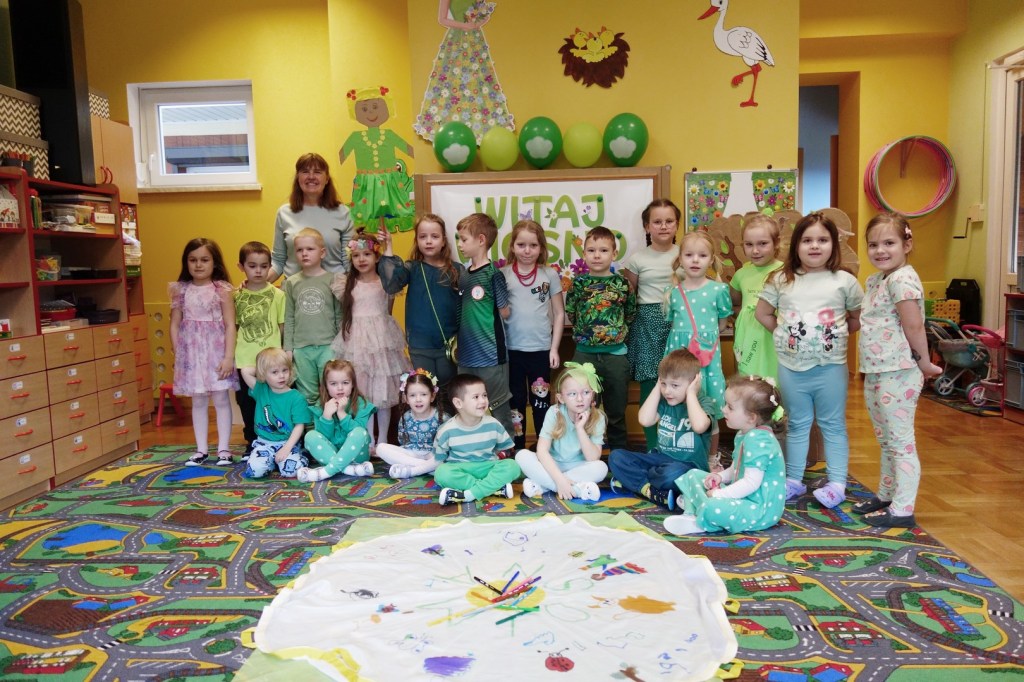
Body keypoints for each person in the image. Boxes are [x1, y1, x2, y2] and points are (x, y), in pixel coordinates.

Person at [755, 211, 864, 509]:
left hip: (831, 368)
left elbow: (857, 317)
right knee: (798, 424)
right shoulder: (781, 279)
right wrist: (784, 335)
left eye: (822, 240)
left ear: (833, 245)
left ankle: (837, 483)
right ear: (796, 245)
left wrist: (836, 336)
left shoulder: (845, 281)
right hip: (792, 368)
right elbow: (762, 313)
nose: (815, 246)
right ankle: (793, 480)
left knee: (833, 424)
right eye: (807, 240)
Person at [854, 212, 942, 528]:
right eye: (873, 244)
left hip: (900, 371)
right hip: (877, 370)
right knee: (886, 439)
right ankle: (887, 495)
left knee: (901, 441)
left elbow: (914, 325)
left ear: (907, 244)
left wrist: (924, 363)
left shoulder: (903, 280)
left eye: (889, 243)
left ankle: (903, 509)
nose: (880, 250)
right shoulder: (877, 280)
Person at [665, 375, 787, 535]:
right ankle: (693, 510)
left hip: (759, 511)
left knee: (713, 506)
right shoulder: (744, 434)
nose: (723, 410)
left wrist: (719, 495)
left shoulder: (759, 439)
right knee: (693, 475)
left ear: (751, 417)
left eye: (730, 407)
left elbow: (751, 483)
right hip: (742, 497)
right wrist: (720, 477)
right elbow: (736, 468)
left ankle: (697, 518)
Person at [608, 349, 713, 509]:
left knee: (672, 474)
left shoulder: (704, 403)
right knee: (616, 457)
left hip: (688, 466)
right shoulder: (665, 403)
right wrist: (658, 386)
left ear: (694, 382)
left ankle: (633, 481)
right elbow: (645, 420)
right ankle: (651, 491)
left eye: (674, 385)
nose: (667, 391)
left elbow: (699, 427)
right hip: (659, 460)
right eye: (664, 384)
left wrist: (691, 394)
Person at [334, 232, 412, 449]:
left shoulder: (385, 283)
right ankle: (368, 439)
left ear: (377, 256)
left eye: (367, 254)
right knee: (364, 392)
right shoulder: (346, 283)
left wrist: (389, 245)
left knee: (383, 391)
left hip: (381, 340)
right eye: (356, 255)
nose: (361, 259)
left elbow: (388, 311)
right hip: (357, 342)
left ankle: (383, 439)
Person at [564, 226, 637, 450]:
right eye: (591, 250)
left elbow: (630, 314)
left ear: (614, 254)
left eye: (603, 250)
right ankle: (580, 455)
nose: (597, 255)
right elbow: (572, 313)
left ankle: (618, 457)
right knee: (581, 410)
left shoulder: (622, 284)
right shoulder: (578, 284)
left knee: (616, 412)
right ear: (584, 254)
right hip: (584, 356)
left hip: (616, 357)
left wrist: (613, 334)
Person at [378, 214, 466, 398]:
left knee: (449, 392)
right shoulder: (412, 268)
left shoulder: (457, 270)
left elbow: (466, 307)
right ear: (416, 240)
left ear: (444, 241)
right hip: (420, 344)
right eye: (423, 236)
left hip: (449, 344)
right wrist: (389, 247)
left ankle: (447, 417)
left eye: (435, 236)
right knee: (425, 390)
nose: (428, 241)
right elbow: (391, 284)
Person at [169, 237, 239, 467]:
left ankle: (224, 449)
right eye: (193, 260)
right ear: (186, 262)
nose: (198, 265)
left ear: (214, 262)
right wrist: (179, 353)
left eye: (204, 260)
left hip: (216, 352)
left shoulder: (222, 290)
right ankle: (201, 450)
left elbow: (230, 325)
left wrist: (228, 357)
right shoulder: (181, 290)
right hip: (192, 354)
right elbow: (174, 324)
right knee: (198, 400)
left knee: (220, 398)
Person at [500, 219, 565, 450]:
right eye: (521, 245)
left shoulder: (550, 275)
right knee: (515, 404)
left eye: (533, 245)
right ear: (512, 246)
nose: (527, 251)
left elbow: (559, 313)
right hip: (511, 352)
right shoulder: (502, 275)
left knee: (541, 403)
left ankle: (543, 448)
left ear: (541, 248)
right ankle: (518, 449)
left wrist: (554, 348)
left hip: (541, 351)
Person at [623, 199, 682, 449]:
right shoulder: (637, 259)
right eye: (657, 222)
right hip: (647, 324)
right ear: (647, 227)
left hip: (678, 322)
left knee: (678, 381)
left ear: (676, 225)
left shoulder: (685, 254)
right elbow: (629, 295)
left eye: (669, 221)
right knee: (650, 384)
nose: (663, 226)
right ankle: (653, 445)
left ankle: (676, 444)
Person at [413, 0, 514, 144]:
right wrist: (465, 25)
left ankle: (481, 127)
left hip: (475, 38)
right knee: (450, 81)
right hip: (456, 39)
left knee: (480, 81)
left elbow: (481, 13)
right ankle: (447, 127)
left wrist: (479, 21)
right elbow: (442, 19)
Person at [454, 213, 514, 438]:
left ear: (481, 240)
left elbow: (505, 311)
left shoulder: (493, 274)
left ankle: (507, 449)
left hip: (490, 356)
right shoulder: (463, 275)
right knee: (467, 406)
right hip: (466, 356)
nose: (460, 245)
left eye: (464, 239)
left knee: (498, 405)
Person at [664, 230, 732, 425]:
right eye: (689, 255)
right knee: (679, 404)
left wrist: (704, 336)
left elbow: (722, 323)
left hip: (706, 358)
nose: (695, 260)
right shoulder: (673, 292)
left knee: (708, 406)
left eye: (702, 255)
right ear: (680, 259)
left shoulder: (719, 290)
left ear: (711, 260)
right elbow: (674, 325)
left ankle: (710, 443)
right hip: (679, 353)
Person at [514, 362, 607, 502]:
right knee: (521, 455)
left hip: (579, 467)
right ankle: (576, 489)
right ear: (561, 398)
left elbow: (593, 458)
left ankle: (544, 486)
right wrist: (560, 480)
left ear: (592, 394)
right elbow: (542, 451)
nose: (580, 399)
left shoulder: (597, 417)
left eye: (586, 392)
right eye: (572, 394)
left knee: (601, 468)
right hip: (553, 465)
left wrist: (580, 429)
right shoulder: (554, 412)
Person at [233, 241, 286, 461]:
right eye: (252, 266)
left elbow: (281, 327)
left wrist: (281, 355)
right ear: (241, 267)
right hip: (244, 359)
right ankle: (251, 441)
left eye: (264, 266)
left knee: (273, 402)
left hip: (271, 362)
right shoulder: (236, 296)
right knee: (247, 403)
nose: (258, 271)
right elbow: (235, 327)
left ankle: (277, 438)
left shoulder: (278, 295)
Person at [434, 373, 521, 506]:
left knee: (513, 466)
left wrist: (502, 456)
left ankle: (469, 494)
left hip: (487, 467)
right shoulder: (446, 430)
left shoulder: (494, 424)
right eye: (476, 397)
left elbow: (507, 449)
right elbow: (440, 458)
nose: (483, 401)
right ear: (458, 403)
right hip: (461, 469)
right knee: (441, 473)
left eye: (484, 395)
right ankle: (492, 489)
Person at [339, 86, 415, 234]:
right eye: (364, 109)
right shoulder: (355, 137)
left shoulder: (389, 134)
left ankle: (387, 244)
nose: (371, 113)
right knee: (367, 217)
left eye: (375, 107)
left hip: (390, 184)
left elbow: (409, 150)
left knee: (392, 215)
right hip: (367, 186)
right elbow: (341, 156)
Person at [269, 152, 353, 282]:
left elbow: (348, 261)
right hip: (294, 289)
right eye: (305, 172)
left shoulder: (343, 213)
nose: (311, 177)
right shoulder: (284, 213)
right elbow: (278, 261)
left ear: (327, 179)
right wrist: (255, 283)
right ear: (298, 178)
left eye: (318, 172)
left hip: (334, 288)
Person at [283, 228, 345, 404]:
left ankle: (331, 421)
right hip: (301, 348)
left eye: (310, 249)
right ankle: (310, 423)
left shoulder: (333, 279)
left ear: (322, 253)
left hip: (328, 346)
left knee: (332, 390)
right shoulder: (291, 282)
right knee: (307, 395)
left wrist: (341, 345)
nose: (304, 253)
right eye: (299, 250)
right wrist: (288, 349)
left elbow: (339, 315)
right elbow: (289, 317)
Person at [297, 360, 377, 483]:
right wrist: (327, 416)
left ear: (353, 384)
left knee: (360, 432)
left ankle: (326, 472)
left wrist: (341, 413)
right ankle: (349, 469)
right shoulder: (320, 405)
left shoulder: (362, 403)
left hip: (357, 457)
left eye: (345, 383)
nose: (340, 388)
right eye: (333, 383)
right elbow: (323, 437)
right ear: (326, 386)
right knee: (310, 436)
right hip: (329, 455)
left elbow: (358, 432)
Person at [239, 348, 311, 479]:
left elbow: (299, 426)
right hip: (264, 444)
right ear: (263, 374)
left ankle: (303, 455)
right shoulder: (261, 390)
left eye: (285, 370)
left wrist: (286, 448)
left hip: (288, 443)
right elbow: (245, 371)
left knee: (291, 472)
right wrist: (263, 369)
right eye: (275, 372)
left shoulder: (296, 398)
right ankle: (273, 462)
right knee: (255, 472)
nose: (281, 376)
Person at [730, 213, 784, 380]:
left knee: (777, 379)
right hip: (749, 337)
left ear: (776, 243)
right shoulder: (740, 275)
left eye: (762, 244)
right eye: (749, 244)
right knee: (750, 382)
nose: (755, 250)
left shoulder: (785, 272)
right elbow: (735, 303)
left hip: (775, 335)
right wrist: (747, 317)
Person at [377, 368, 449, 479]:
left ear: (432, 396)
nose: (418, 399)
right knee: (380, 448)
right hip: (412, 454)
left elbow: (446, 447)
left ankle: (415, 469)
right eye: (412, 395)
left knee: (442, 457)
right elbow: (403, 441)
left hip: (433, 455)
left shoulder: (442, 417)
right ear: (406, 398)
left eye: (423, 394)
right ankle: (425, 468)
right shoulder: (405, 417)